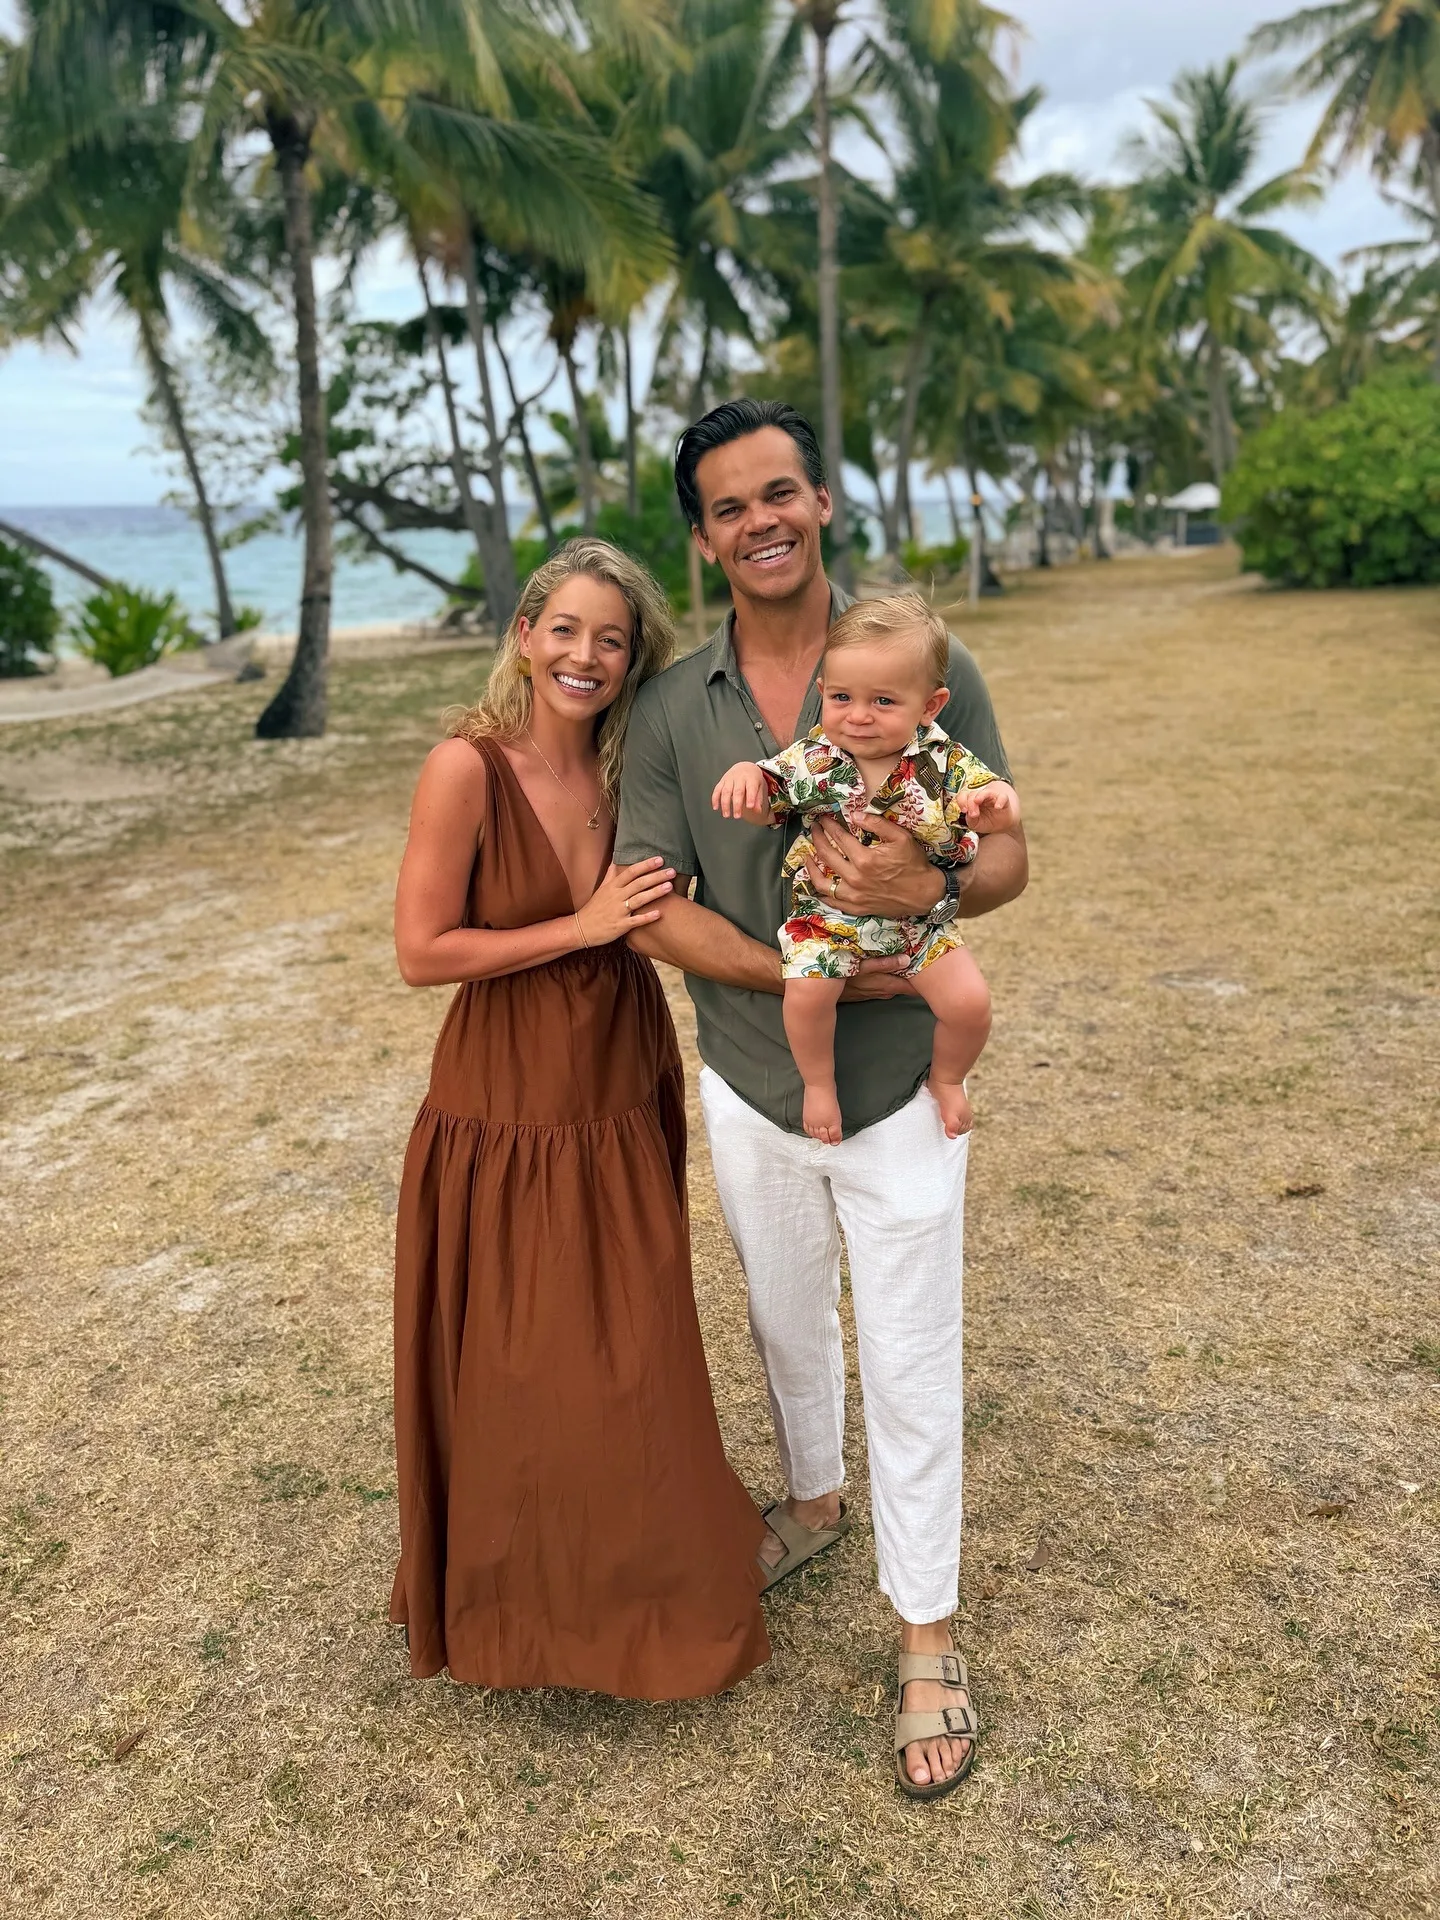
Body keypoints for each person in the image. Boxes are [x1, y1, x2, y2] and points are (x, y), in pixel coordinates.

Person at [615, 400, 1027, 1798]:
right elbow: (650, 912)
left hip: (907, 1081)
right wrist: (823, 978)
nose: (761, 521)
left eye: (779, 491)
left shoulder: (923, 658)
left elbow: (1011, 860)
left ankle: (927, 1637)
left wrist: (936, 890)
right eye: (730, 506)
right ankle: (811, 1501)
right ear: (705, 535)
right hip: (751, 1070)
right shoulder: (675, 707)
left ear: (823, 501)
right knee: (787, 1316)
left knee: (912, 1350)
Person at [389, 536, 770, 1702]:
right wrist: (586, 924)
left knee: (627, 1337)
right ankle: (518, 1605)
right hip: (505, 1094)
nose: (586, 655)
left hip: (614, 1069)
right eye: (565, 630)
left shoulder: (627, 766)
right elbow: (421, 952)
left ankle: (636, 1572)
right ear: (524, 635)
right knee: (519, 1352)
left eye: (612, 639)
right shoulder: (467, 766)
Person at [711, 593, 1021, 1144]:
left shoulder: (941, 760)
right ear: (823, 691)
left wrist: (995, 800)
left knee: (971, 1005)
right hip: (827, 922)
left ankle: (948, 1080)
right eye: (841, 696)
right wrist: (747, 778)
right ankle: (819, 1085)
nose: (857, 715)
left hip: (915, 925)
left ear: (929, 706)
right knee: (807, 994)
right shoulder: (818, 758)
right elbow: (772, 790)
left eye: (882, 700)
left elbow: (985, 791)